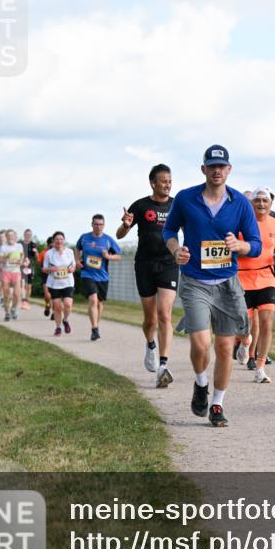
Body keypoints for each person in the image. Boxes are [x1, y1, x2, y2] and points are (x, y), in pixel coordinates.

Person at [162, 144, 261, 428]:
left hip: (228, 284)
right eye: (212, 166)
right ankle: (200, 382)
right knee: (201, 343)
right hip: (195, 281)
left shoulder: (240, 204)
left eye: (222, 166)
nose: (217, 171)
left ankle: (217, 404)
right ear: (204, 169)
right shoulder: (185, 198)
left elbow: (255, 244)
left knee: (224, 346)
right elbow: (169, 230)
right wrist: (174, 249)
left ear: (229, 170)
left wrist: (239, 245)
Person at [116, 163, 178, 388]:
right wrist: (125, 225)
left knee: (164, 314)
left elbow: (190, 228)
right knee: (150, 319)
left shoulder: (176, 205)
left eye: (170, 181)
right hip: (144, 265)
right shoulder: (141, 206)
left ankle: (163, 364)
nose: (167, 185)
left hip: (169, 264)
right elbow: (120, 234)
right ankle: (150, 343)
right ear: (153, 183)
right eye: (163, 181)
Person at [236, 187, 275, 383]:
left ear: (271, 203)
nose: (261, 204)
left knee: (266, 323)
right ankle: (244, 341)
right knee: (243, 326)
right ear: (252, 203)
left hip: (266, 278)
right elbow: (232, 248)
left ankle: (260, 367)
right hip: (243, 278)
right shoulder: (242, 224)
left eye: (265, 201)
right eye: (258, 201)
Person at [75, 214, 122, 341]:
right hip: (87, 274)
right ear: (92, 224)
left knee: (100, 304)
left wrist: (108, 257)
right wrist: (78, 260)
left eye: (101, 224)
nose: (98, 227)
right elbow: (77, 248)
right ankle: (94, 329)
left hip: (102, 276)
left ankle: (96, 324)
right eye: (96, 224)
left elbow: (118, 256)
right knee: (93, 300)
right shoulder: (85, 238)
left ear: (104, 225)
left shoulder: (108, 240)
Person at [41, 231, 76, 336]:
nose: (59, 241)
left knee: (68, 304)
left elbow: (73, 265)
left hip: (68, 282)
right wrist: (50, 269)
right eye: (57, 239)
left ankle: (65, 320)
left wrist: (71, 268)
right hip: (54, 283)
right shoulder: (49, 253)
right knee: (57, 307)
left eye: (61, 239)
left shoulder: (69, 252)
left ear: (64, 241)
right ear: (53, 241)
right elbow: (44, 268)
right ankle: (58, 327)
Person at [0, 229, 26, 320]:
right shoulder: (3, 247)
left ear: (15, 237)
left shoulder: (19, 246)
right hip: (6, 272)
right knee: (6, 295)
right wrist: (6, 256)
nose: (11, 237)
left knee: (17, 294)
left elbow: (22, 255)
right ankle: (7, 313)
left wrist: (21, 261)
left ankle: (13, 309)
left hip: (16, 272)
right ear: (6, 237)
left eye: (12, 235)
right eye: (9, 236)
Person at [20, 229, 39, 310]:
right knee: (22, 283)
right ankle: (23, 300)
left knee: (29, 286)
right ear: (24, 235)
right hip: (21, 266)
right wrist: (21, 261)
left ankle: (26, 301)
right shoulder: (19, 243)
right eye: (26, 234)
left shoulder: (33, 244)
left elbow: (37, 257)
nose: (28, 236)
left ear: (31, 236)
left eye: (29, 235)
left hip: (30, 267)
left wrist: (36, 252)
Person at [38, 235, 54, 316]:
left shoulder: (59, 252)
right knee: (47, 295)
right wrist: (44, 269)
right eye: (50, 244)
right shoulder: (43, 253)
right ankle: (47, 305)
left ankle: (55, 313)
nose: (52, 245)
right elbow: (40, 264)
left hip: (57, 276)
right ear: (47, 244)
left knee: (56, 295)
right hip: (46, 275)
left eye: (53, 243)